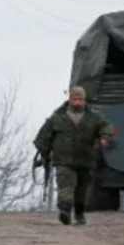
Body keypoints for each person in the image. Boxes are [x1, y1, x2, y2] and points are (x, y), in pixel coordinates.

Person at [33, 85, 113, 225]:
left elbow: (105, 126)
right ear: (70, 99)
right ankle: (65, 211)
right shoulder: (58, 117)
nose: (77, 102)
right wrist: (44, 155)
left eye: (80, 99)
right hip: (64, 159)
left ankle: (79, 214)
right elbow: (45, 137)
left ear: (84, 100)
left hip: (86, 159)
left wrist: (105, 137)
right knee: (66, 186)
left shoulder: (94, 116)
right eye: (74, 99)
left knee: (82, 189)